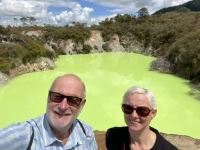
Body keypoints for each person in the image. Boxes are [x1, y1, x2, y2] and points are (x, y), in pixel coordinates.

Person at [0, 74, 98, 150]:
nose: (63, 107)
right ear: (48, 97)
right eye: (57, 97)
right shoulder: (24, 136)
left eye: (73, 100)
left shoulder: (86, 132)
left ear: (82, 106)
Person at [106, 86, 178, 150]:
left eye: (142, 110)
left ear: (153, 113)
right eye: (128, 108)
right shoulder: (113, 136)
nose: (134, 115)